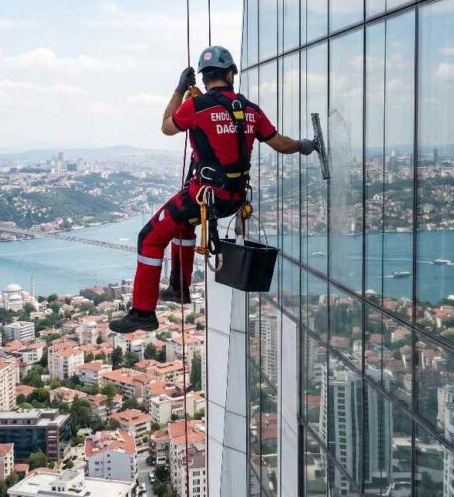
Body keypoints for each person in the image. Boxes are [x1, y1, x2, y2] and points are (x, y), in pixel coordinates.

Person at [109, 46, 316, 334]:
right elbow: (280, 143)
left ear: (204, 79)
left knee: (150, 238)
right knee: (182, 227)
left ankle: (143, 312)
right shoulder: (251, 110)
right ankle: (179, 288)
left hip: (203, 196)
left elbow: (167, 127)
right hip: (233, 198)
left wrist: (179, 90)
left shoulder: (197, 106)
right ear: (231, 74)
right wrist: (305, 146)